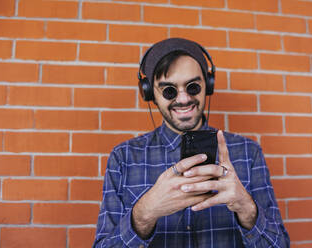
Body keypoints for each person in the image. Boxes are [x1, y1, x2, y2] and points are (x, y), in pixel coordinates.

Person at [93, 38, 290, 247]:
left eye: (193, 87)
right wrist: (143, 214)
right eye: (169, 90)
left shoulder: (248, 153)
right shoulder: (123, 158)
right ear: (150, 93)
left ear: (208, 85)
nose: (184, 99)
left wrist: (247, 210)